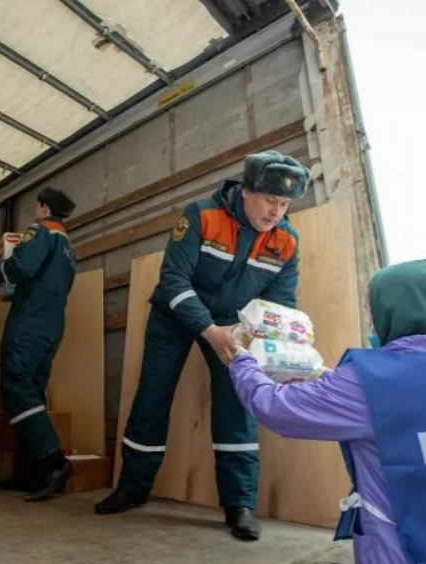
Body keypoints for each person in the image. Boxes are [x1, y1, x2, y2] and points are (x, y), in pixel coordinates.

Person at [228, 259, 426, 564]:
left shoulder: (366, 382)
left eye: (374, 309)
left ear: (393, 311)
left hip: (404, 550)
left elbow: (277, 408)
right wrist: (328, 378)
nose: (372, 320)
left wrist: (242, 360)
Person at [95, 150, 310, 541]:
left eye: (284, 204)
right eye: (269, 201)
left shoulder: (287, 242)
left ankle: (239, 504)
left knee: (237, 405)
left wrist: (275, 349)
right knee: (152, 397)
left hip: (234, 329)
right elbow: (174, 280)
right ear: (246, 191)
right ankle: (132, 487)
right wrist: (209, 330)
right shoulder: (201, 215)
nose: (276, 211)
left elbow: (279, 307)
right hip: (175, 316)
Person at [0, 187, 77, 502]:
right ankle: (34, 473)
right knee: (33, 392)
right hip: (51, 325)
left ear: (43, 207)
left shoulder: (40, 231)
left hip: (29, 322)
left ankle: (54, 462)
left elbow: (21, 267)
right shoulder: (68, 247)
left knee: (15, 386)